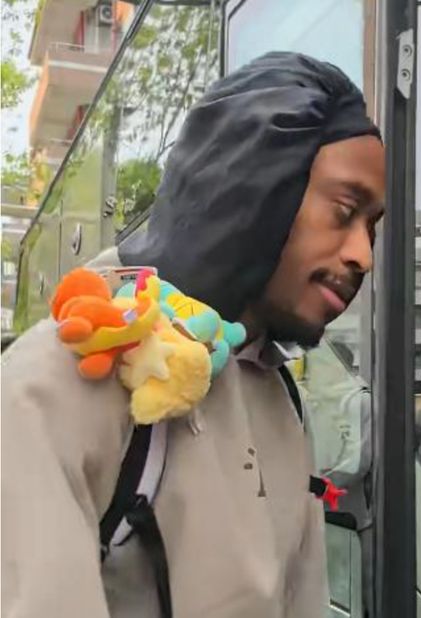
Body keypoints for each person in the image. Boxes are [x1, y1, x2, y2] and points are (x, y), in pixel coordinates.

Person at [1, 52, 385, 618]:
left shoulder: (283, 398)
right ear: (254, 188)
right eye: (344, 211)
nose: (363, 255)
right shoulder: (59, 379)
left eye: (372, 227)